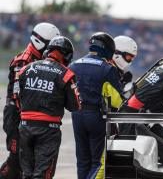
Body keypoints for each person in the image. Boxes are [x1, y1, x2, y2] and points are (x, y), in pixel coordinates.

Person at [0, 22, 60, 179]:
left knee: (28, 162)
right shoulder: (23, 61)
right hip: (17, 116)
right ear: (40, 42)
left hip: (28, 118)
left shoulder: (40, 61)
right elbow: (18, 96)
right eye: (51, 46)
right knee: (16, 162)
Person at [17, 36, 81, 179]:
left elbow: (16, 96)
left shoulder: (25, 69)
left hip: (25, 127)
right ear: (66, 55)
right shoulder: (66, 74)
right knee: (42, 174)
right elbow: (75, 106)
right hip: (48, 131)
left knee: (26, 174)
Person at [70, 32, 124, 179]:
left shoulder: (74, 65)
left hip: (76, 115)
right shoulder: (107, 68)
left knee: (82, 161)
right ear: (107, 49)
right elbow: (118, 101)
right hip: (96, 117)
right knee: (97, 163)